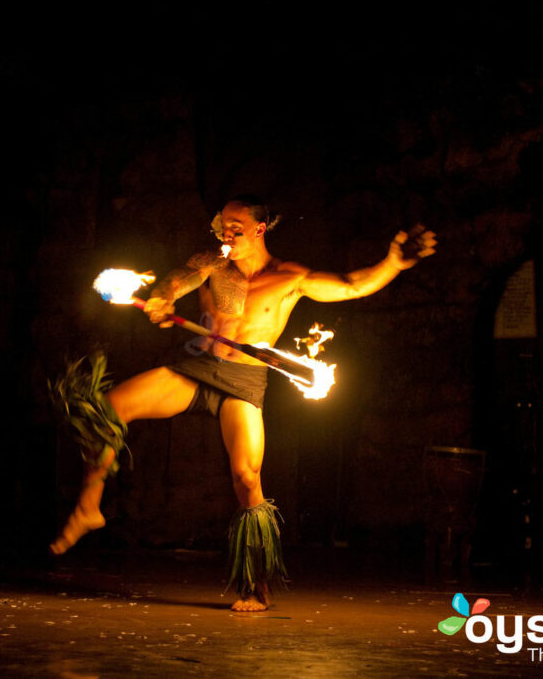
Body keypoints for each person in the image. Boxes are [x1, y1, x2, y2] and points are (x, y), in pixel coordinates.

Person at [49, 196, 436, 612]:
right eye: (221, 225)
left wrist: (392, 263)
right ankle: (89, 507)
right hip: (196, 368)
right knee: (107, 408)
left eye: (236, 225)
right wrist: (162, 298)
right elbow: (176, 281)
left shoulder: (290, 277)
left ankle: (257, 585)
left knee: (247, 479)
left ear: (259, 228)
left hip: (244, 381)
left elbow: (351, 284)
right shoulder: (213, 263)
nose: (226, 231)